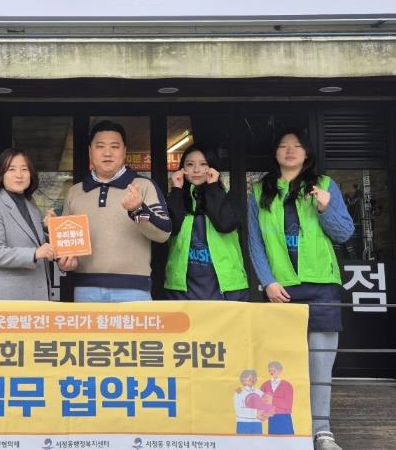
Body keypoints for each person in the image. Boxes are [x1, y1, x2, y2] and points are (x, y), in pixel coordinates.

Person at [248, 129, 354, 450]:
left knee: (319, 365)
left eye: (297, 146)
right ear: (275, 153)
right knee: (280, 365)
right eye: (283, 146)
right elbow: (255, 241)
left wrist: (325, 208)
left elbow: (344, 233)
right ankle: (288, 430)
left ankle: (321, 431)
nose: (290, 150)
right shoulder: (260, 191)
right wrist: (268, 281)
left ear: (307, 153)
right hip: (281, 289)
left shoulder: (324, 185)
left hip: (322, 286)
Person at [62, 120, 171, 302]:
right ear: (90, 151)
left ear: (124, 151)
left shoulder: (143, 186)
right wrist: (65, 261)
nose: (107, 153)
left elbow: (163, 233)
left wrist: (137, 210)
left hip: (134, 289)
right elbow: (66, 245)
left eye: (114, 146)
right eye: (100, 146)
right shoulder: (75, 192)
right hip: (86, 289)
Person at [0, 148, 77, 300]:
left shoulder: (32, 209)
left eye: (24, 169)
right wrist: (34, 254)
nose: (19, 175)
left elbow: (36, 243)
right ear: (1, 175)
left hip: (35, 297)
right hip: (8, 299)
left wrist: (52, 230)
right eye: (11, 169)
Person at [165, 143, 249, 300]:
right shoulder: (177, 198)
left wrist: (213, 187)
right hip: (182, 288)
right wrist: (176, 190)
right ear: (182, 169)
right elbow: (170, 229)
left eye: (203, 164)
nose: (196, 170)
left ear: (212, 168)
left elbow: (224, 224)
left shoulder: (230, 198)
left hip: (226, 286)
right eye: (190, 164)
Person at [260, 361, 294, 435]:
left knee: (287, 439)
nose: (272, 372)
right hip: (271, 419)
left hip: (284, 418)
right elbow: (261, 402)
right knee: (272, 439)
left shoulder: (287, 385)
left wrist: (271, 400)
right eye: (270, 370)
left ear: (280, 371)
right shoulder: (265, 385)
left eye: (274, 370)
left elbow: (288, 405)